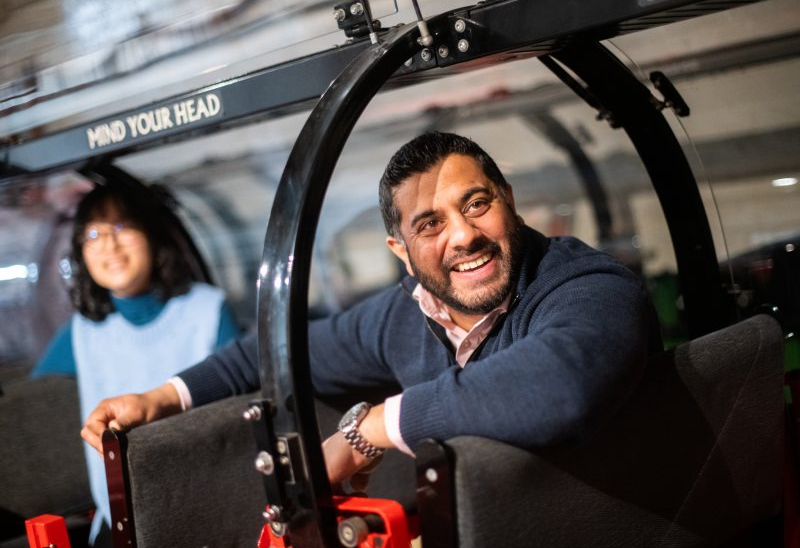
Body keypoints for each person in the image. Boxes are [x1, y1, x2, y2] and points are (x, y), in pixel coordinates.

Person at [81, 132, 660, 490]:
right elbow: (278, 354)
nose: (463, 236)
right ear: (400, 252)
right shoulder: (401, 316)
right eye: (429, 225)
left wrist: (372, 427)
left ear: (508, 200)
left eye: (477, 204)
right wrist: (161, 398)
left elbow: (559, 389)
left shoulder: (587, 286)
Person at [33, 182, 240, 548]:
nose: (108, 245)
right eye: (93, 234)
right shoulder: (81, 332)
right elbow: (29, 406)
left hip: (203, 511)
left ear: (152, 235)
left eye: (122, 228)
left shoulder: (207, 311)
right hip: (119, 520)